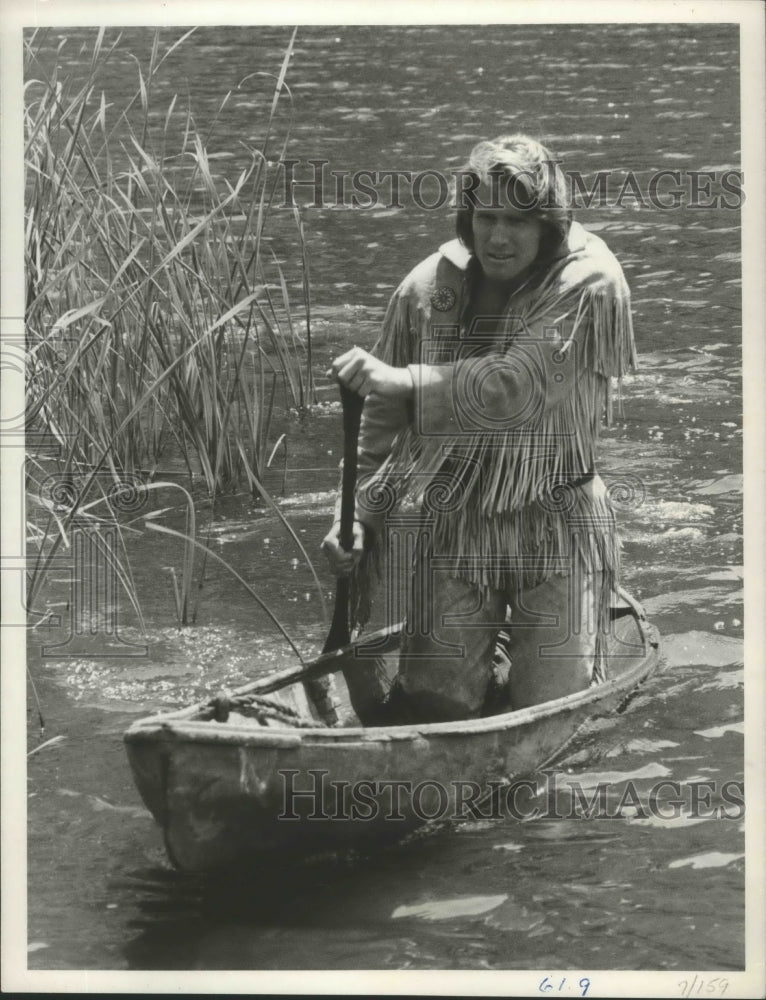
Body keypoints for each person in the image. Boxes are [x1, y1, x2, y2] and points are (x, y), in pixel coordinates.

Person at [322, 134, 636, 723]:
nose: (497, 236)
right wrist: (356, 519)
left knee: (552, 710)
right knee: (434, 708)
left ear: (551, 223)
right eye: (485, 216)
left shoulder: (590, 282)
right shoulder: (427, 287)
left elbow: (514, 387)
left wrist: (404, 379)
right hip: (457, 520)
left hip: (557, 524)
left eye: (518, 221)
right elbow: (381, 425)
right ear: (466, 217)